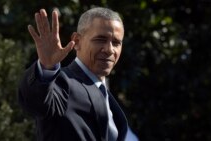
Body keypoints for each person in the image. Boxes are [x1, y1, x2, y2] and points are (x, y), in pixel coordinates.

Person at [18, 7, 138, 141]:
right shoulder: (61, 82)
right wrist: (46, 67)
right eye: (100, 39)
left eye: (116, 43)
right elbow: (35, 100)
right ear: (77, 41)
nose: (109, 49)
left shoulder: (107, 97)